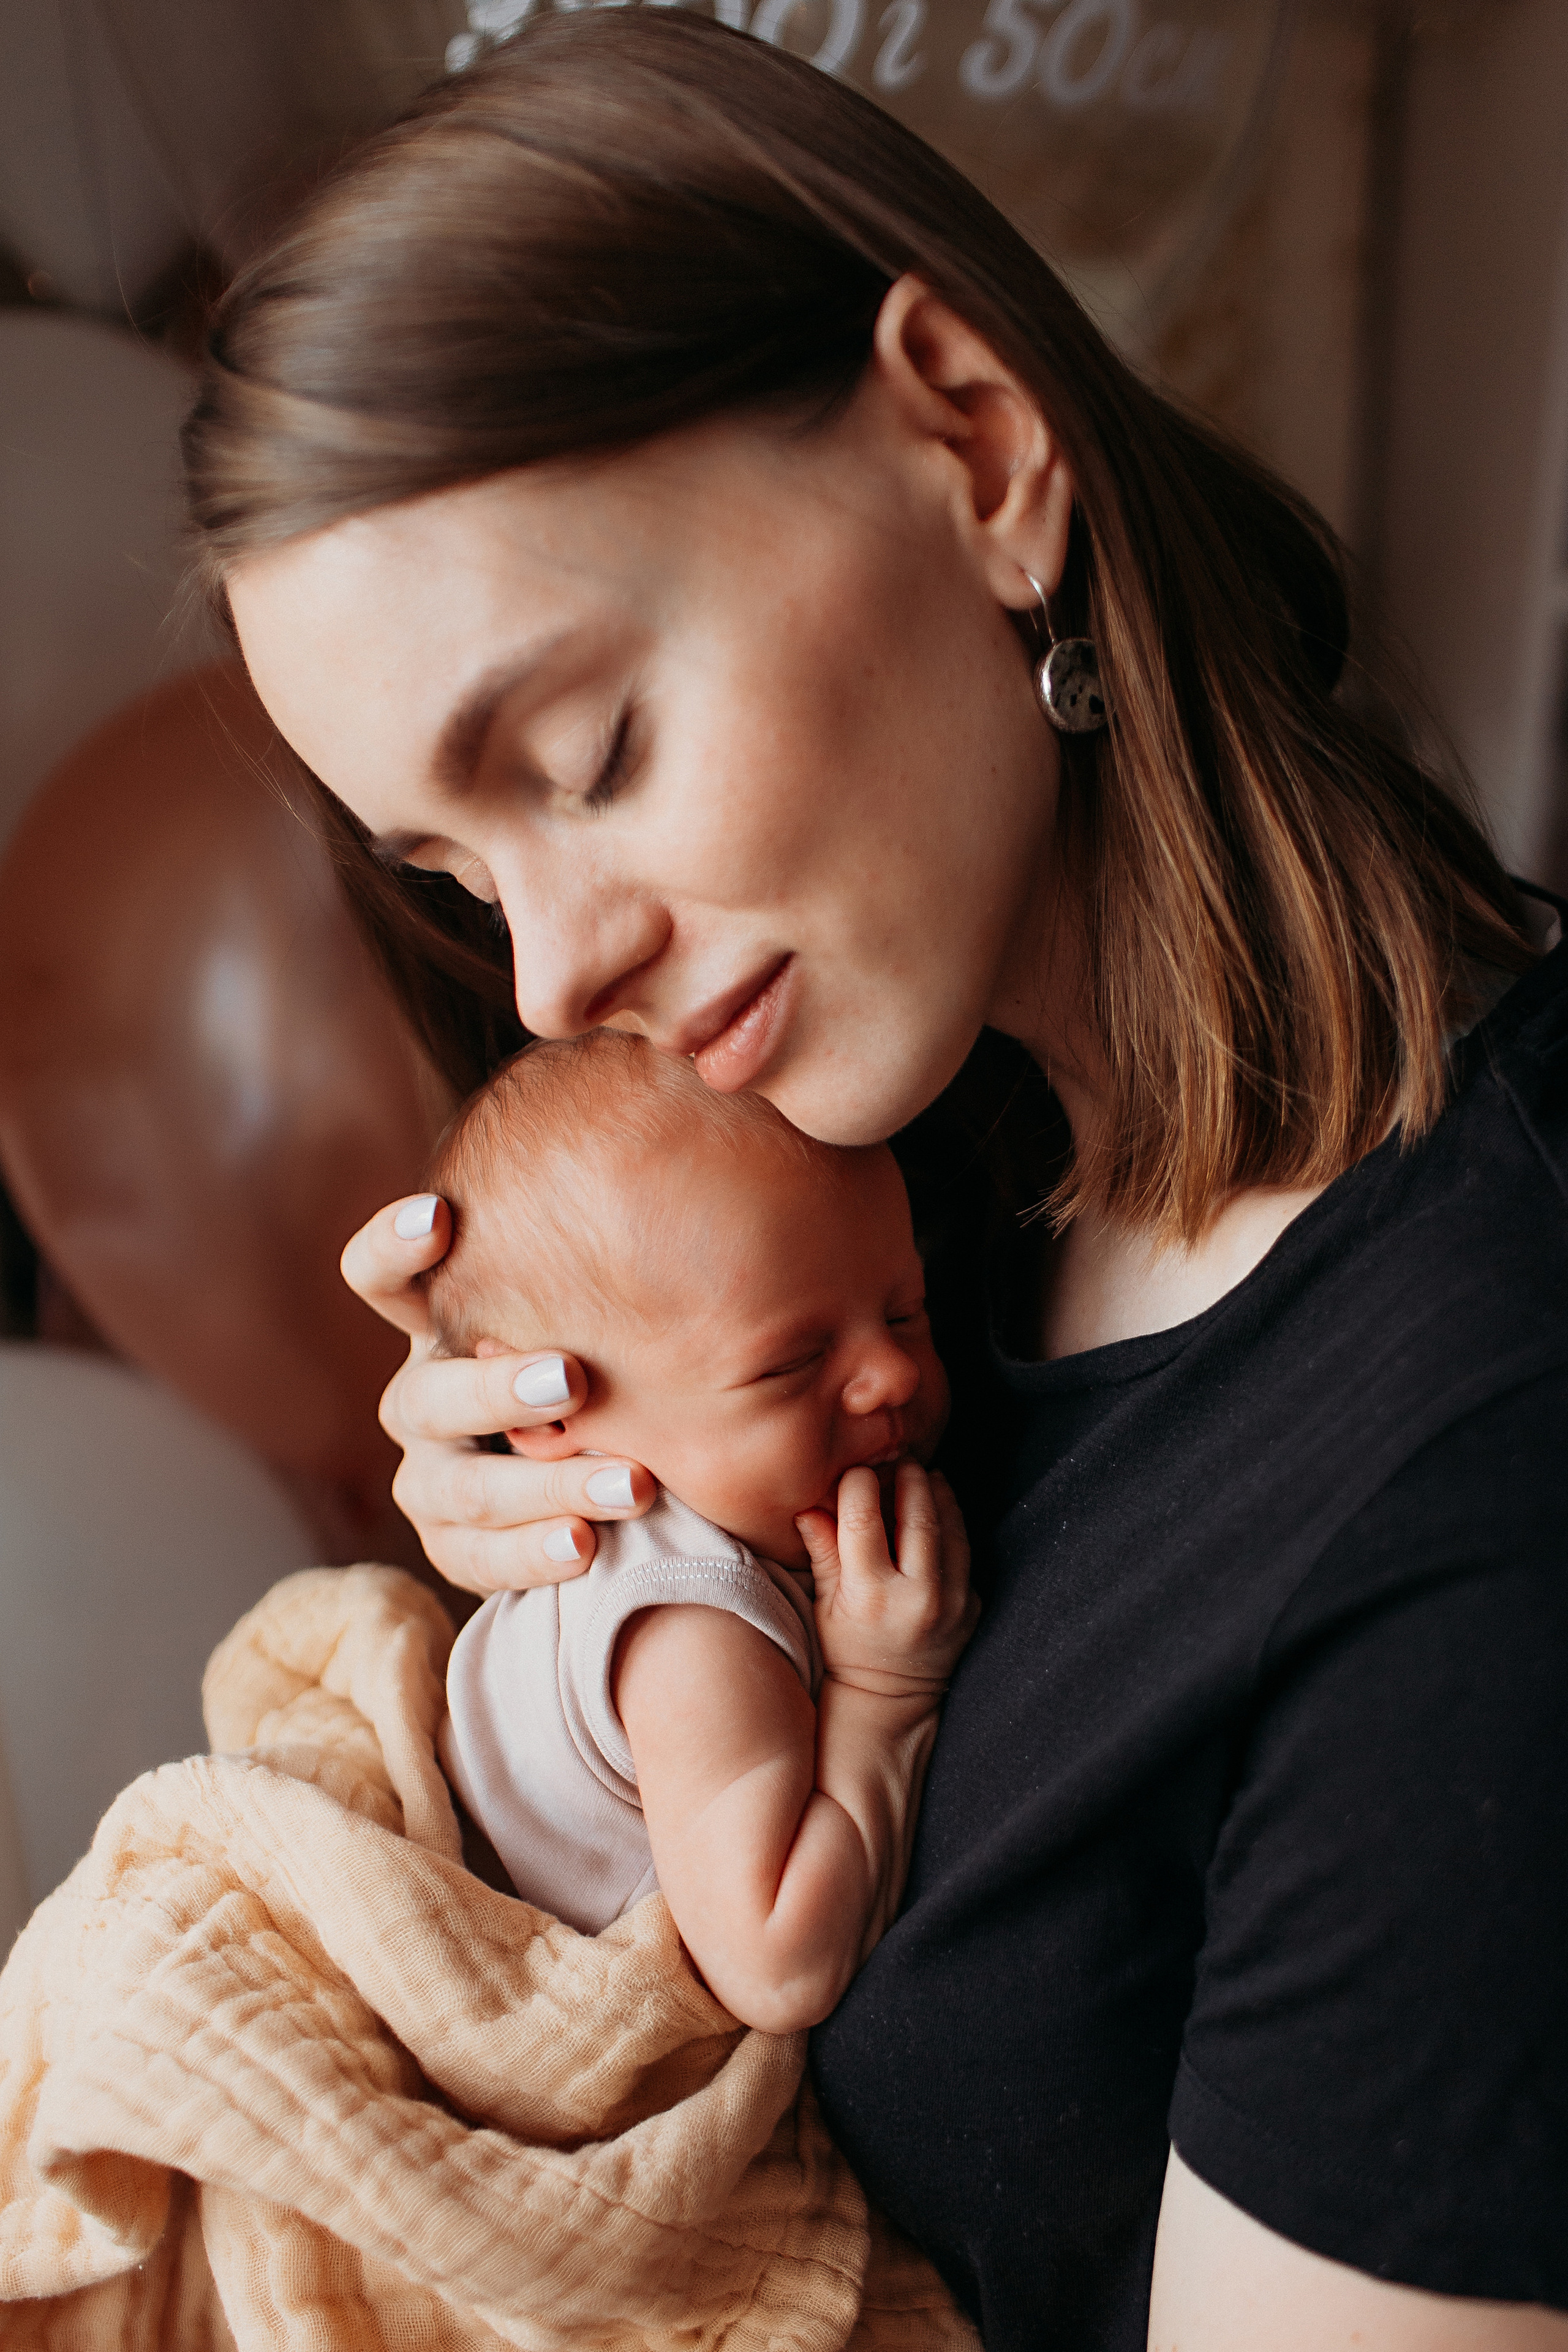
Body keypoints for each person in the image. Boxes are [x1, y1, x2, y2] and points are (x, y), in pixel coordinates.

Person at [186, 12, 1568, 2346]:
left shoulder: (1479, 1431)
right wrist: (583, 1580)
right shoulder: (921, 1185)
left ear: (980, 443)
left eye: (593, 753)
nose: (548, 976)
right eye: (454, 870)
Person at [421, 1027, 974, 2030]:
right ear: (549, 1416)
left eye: (905, 1312)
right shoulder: (691, 1625)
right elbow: (779, 1966)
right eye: (790, 1363)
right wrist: (888, 1693)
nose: (891, 1375)